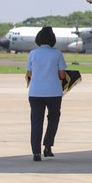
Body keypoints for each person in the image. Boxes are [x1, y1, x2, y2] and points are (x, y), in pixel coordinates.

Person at [26, 26, 67, 161]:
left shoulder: (33, 53)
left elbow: (29, 73)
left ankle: (36, 152)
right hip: (53, 92)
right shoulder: (57, 53)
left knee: (36, 121)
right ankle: (48, 146)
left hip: (35, 92)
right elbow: (62, 75)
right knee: (53, 119)